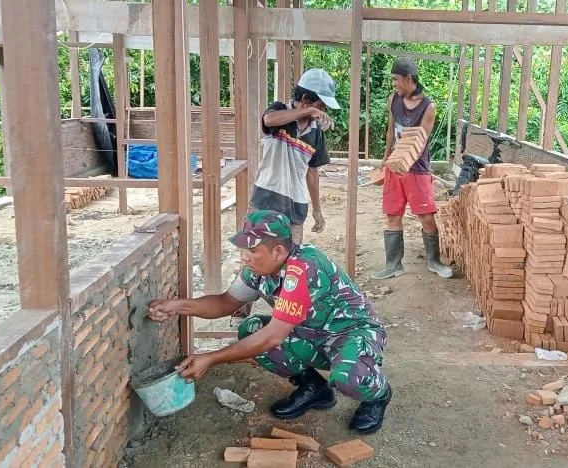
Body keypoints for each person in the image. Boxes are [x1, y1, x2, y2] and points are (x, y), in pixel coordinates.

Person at [148, 210, 393, 434]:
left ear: (277, 251)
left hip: (350, 334)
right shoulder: (258, 270)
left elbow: (273, 336)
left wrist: (210, 358)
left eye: (252, 251)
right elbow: (226, 302)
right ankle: (315, 389)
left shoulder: (303, 268)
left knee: (348, 377)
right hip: (310, 334)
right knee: (251, 329)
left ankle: (378, 395)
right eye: (243, 250)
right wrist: (177, 306)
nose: (244, 258)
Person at [374, 57, 454, 280]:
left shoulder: (428, 107)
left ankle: (434, 261)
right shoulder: (393, 100)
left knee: (426, 216)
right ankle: (393, 265)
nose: (394, 84)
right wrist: (386, 160)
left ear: (409, 79)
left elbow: (421, 140)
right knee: (393, 215)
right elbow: (390, 131)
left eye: (396, 79)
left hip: (417, 170)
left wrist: (405, 163)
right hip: (394, 168)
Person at [251, 68, 340, 244]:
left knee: (290, 255)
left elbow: (312, 172)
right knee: (257, 253)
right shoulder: (279, 110)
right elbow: (268, 120)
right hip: (265, 199)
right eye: (321, 106)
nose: (323, 111)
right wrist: (308, 111)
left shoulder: (315, 132)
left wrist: (317, 210)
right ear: (306, 99)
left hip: (295, 205)